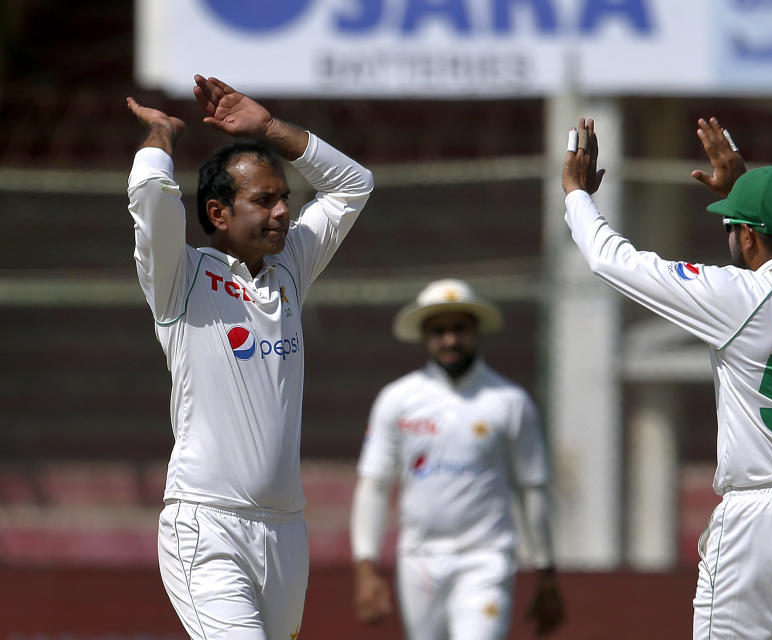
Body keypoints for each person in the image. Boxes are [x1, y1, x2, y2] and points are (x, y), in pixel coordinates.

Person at [561, 117, 772, 639]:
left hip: (761, 520)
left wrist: (576, 196)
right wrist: (747, 185)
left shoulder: (741, 299)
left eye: (733, 224)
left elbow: (612, 261)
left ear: (748, 236)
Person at [126, 75, 374, 640]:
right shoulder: (181, 278)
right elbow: (150, 201)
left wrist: (268, 129)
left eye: (284, 198)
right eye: (264, 200)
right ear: (218, 213)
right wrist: (160, 138)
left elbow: (354, 185)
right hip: (206, 526)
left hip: (286, 531)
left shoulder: (290, 268)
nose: (284, 211)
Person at [350, 278, 565, 639]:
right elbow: (374, 486)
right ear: (424, 336)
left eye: (459, 329)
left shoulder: (510, 401)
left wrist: (546, 574)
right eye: (438, 331)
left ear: (475, 330)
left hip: (487, 558)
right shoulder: (397, 399)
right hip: (418, 559)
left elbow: (533, 490)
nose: (450, 340)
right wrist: (365, 568)